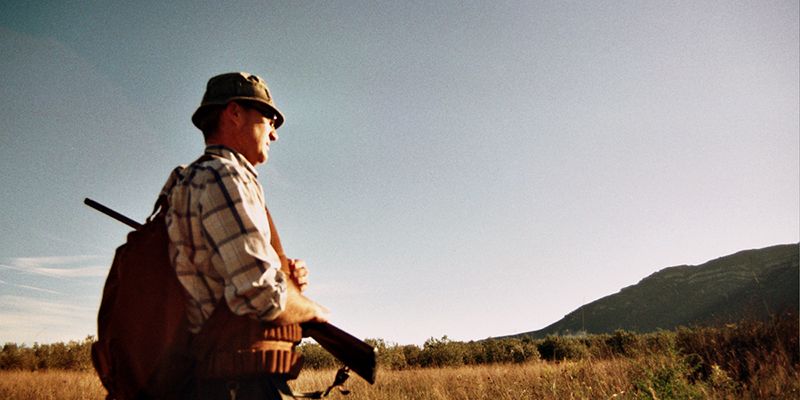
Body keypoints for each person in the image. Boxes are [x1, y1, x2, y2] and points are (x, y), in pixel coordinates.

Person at [159, 72, 328, 399]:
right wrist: (311, 310)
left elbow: (222, 274)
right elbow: (260, 294)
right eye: (269, 120)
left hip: (209, 378)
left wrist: (286, 277)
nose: (274, 134)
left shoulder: (190, 179)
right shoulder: (225, 176)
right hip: (233, 384)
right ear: (234, 113)